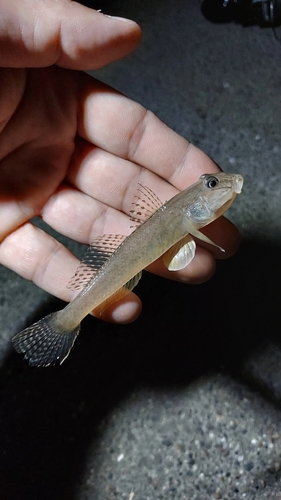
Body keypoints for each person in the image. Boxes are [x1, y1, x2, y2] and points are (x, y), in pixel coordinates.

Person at [0, 0, 240, 324]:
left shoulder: (184, 214)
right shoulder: (186, 212)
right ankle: (66, 319)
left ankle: (68, 317)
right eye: (210, 183)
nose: (219, 185)